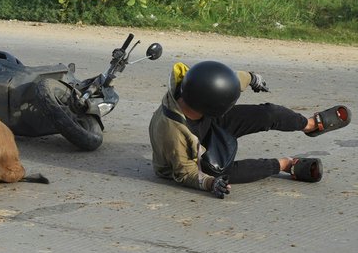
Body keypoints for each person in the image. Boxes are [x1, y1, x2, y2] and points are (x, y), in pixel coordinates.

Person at [149, 60, 351, 199]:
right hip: (191, 156)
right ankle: (286, 164)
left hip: (208, 121)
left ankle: (309, 125)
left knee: (268, 114)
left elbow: (228, 80)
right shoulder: (173, 133)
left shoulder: (194, 83)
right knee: (222, 172)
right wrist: (211, 183)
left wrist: (252, 77)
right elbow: (185, 172)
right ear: (213, 107)